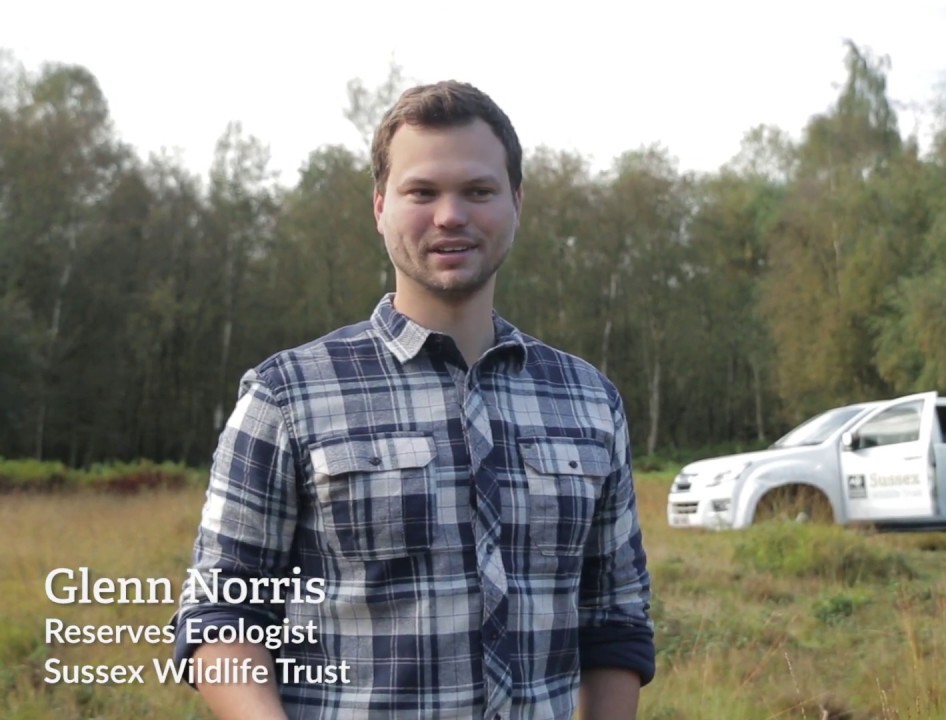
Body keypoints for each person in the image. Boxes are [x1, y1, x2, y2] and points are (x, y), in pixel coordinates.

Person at [171, 80, 655, 719]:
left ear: (516, 202)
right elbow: (222, 614)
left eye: (478, 191)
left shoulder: (590, 402)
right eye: (421, 192)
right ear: (380, 205)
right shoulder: (286, 397)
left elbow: (614, 616)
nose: (450, 215)